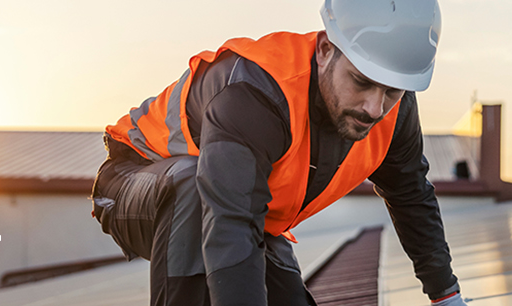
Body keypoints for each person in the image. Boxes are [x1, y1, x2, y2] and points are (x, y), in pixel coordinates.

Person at [89, 0, 465, 305]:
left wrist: (447, 297)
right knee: (194, 188)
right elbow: (231, 224)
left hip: (239, 208)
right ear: (324, 50)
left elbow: (412, 196)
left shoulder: (392, 111)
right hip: (132, 183)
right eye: (361, 82)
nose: (374, 108)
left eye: (392, 91)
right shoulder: (256, 93)